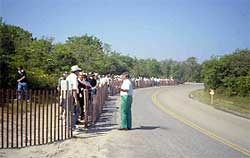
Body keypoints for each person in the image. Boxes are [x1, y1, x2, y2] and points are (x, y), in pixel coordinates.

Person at [66, 65, 81, 130]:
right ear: (76, 71)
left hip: (67, 95)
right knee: (73, 111)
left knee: (69, 111)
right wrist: (76, 100)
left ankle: (68, 125)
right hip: (72, 95)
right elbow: (74, 89)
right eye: (78, 71)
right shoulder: (74, 77)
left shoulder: (69, 76)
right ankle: (72, 126)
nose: (79, 73)